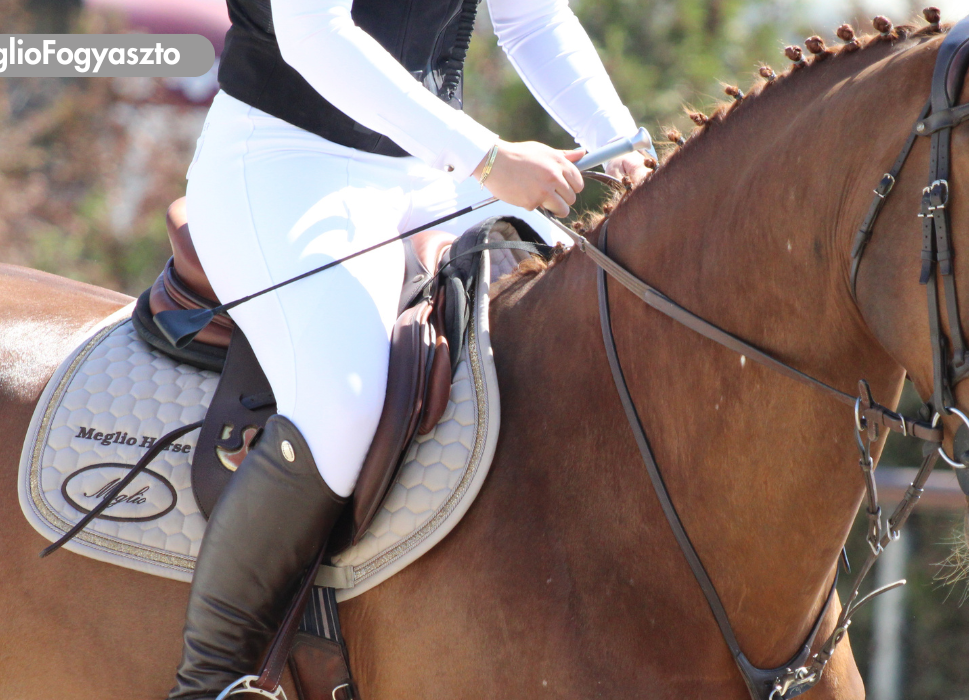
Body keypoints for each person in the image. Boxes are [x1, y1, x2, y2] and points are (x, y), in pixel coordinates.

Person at [170, 0, 650, 694]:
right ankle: (210, 681)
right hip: (284, 160)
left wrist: (624, 143)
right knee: (343, 400)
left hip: (425, 170)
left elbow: (533, 18)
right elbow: (314, 34)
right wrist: (489, 157)